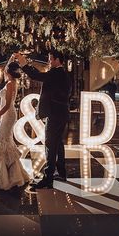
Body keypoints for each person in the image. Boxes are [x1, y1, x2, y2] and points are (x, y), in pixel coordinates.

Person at [15, 49, 72, 191]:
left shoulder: (56, 73)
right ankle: (61, 173)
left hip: (55, 114)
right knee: (58, 143)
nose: (49, 61)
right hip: (62, 113)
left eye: (51, 59)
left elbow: (36, 75)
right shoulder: (64, 74)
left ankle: (48, 179)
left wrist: (23, 64)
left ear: (58, 60)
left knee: (50, 145)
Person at [0, 55, 30, 190]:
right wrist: (12, 58)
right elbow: (7, 67)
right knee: (5, 141)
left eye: (6, 70)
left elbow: (6, 106)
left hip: (9, 114)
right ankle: (9, 173)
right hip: (7, 115)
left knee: (3, 141)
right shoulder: (11, 81)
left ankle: (6, 178)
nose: (4, 70)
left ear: (8, 73)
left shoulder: (11, 84)